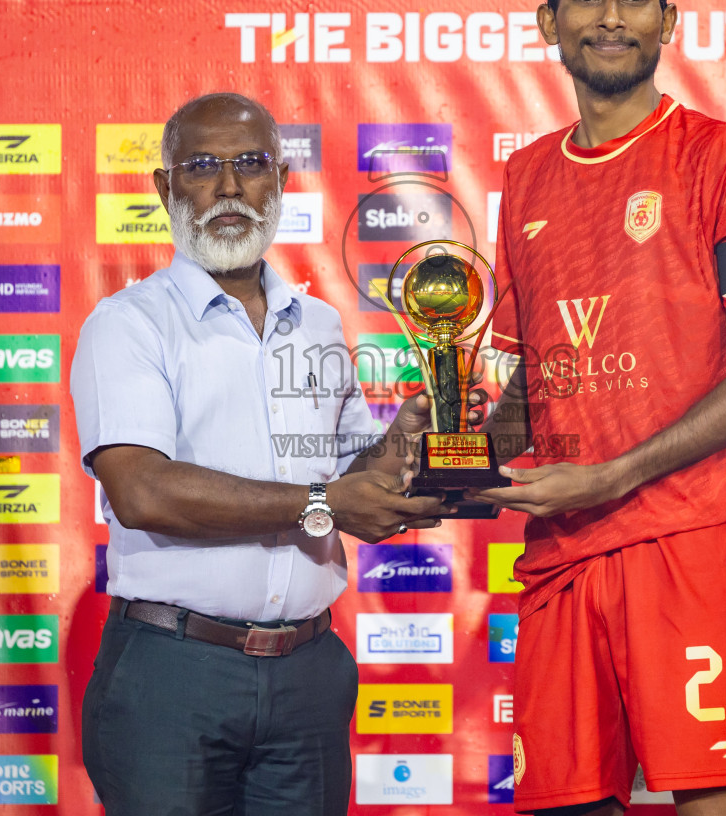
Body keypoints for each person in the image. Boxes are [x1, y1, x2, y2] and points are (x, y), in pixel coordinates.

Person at [466, 0, 726, 816]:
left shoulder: (725, 158)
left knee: (717, 802)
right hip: (565, 551)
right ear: (549, 23)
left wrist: (611, 475)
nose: (610, 16)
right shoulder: (526, 176)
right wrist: (450, 459)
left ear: (668, 20)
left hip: (688, 541)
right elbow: (535, 393)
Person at [71, 92, 458, 816]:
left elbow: (351, 476)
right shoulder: (127, 325)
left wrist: (405, 444)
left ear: (279, 180)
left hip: (308, 677)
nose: (227, 187)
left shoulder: (318, 323)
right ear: (165, 188)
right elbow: (142, 492)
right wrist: (320, 505)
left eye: (249, 165)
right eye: (201, 167)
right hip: (172, 677)